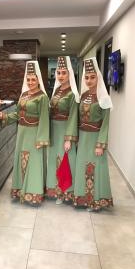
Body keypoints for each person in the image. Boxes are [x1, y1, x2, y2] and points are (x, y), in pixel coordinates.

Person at [0, 60, 49, 205]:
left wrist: (41, 139)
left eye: (33, 79)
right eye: (28, 79)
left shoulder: (42, 97)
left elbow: (44, 119)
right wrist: (5, 116)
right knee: (22, 160)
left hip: (34, 134)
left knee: (34, 162)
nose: (30, 82)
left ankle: (34, 193)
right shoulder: (24, 95)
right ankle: (20, 190)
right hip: (22, 133)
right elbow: (18, 114)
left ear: (38, 80)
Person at [73, 57, 113, 211]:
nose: (89, 80)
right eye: (86, 77)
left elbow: (105, 124)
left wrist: (100, 145)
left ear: (98, 78)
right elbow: (77, 119)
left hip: (95, 138)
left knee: (95, 168)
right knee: (82, 166)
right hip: (83, 138)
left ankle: (94, 201)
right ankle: (82, 199)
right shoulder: (82, 96)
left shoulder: (104, 98)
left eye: (92, 77)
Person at [46, 56, 79, 204]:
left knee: (66, 160)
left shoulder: (72, 94)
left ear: (69, 74)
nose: (60, 76)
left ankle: (66, 193)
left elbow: (73, 117)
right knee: (54, 160)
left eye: (63, 73)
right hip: (54, 130)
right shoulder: (57, 91)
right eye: (58, 73)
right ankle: (55, 191)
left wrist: (68, 138)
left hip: (65, 131)